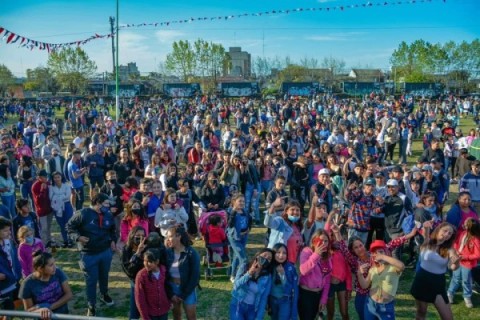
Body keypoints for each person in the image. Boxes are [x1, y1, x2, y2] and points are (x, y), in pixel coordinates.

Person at [66, 193, 117, 316]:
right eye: (106, 203)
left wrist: (113, 240)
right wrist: (78, 237)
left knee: (104, 276)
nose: (108, 206)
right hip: (88, 255)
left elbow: (112, 230)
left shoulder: (108, 214)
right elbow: (69, 227)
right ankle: (91, 305)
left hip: (105, 252)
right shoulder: (83, 214)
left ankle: (104, 295)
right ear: (98, 203)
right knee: (91, 280)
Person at [410, 222, 460, 320]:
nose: (446, 234)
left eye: (450, 234)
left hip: (438, 283)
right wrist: (426, 225)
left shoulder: (450, 249)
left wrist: (456, 262)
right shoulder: (428, 241)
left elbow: (453, 267)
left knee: (448, 318)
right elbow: (426, 231)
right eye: (445, 231)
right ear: (438, 230)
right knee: (421, 313)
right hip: (422, 280)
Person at [356, 239, 405, 320]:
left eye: (381, 251)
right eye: (375, 253)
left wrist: (383, 257)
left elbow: (402, 266)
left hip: (386, 307)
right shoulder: (372, 269)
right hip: (370, 304)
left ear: (386, 252)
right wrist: (359, 274)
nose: (378, 255)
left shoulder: (393, 267)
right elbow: (364, 285)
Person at [18, 251, 72, 319]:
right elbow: (28, 310)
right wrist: (40, 310)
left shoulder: (58, 272)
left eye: (54, 263)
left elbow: (69, 294)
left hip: (62, 315)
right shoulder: (27, 284)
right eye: (51, 265)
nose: (55, 267)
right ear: (40, 268)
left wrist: (49, 307)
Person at [165, 225, 200, 320]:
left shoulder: (192, 253)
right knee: (176, 317)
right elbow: (164, 275)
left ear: (178, 236)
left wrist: (183, 295)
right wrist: (171, 294)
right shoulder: (167, 253)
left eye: (170, 236)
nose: (168, 239)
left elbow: (195, 277)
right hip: (173, 289)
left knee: (191, 317)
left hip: (187, 289)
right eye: (167, 237)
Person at [229, 248, 274, 320]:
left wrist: (259, 317)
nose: (265, 259)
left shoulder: (267, 277)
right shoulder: (244, 266)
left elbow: (263, 298)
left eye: (269, 258)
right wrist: (249, 273)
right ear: (258, 255)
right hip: (238, 304)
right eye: (264, 255)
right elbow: (236, 286)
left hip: (252, 308)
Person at [298, 229, 332, 320]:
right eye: (320, 241)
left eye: (326, 241)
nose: (323, 243)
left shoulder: (327, 257)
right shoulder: (306, 251)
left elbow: (327, 280)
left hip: (319, 294)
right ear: (314, 241)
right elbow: (303, 270)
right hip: (306, 295)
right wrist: (316, 254)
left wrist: (323, 299)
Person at [447, 218, 480, 308]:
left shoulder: (475, 240)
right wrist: (455, 251)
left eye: (465, 225)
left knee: (466, 281)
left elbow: (477, 254)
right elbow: (457, 243)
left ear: (470, 228)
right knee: (455, 278)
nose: (463, 225)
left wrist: (465, 257)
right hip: (458, 260)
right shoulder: (463, 233)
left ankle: (467, 296)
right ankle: (450, 293)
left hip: (467, 264)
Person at [135, 248, 171, 320]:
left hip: (163, 311)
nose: (146, 264)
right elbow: (139, 298)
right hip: (150, 314)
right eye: (145, 261)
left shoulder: (164, 270)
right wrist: (145, 317)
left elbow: (168, 288)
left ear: (157, 261)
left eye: (149, 261)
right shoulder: (141, 276)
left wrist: (169, 302)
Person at [269, 243, 299, 320]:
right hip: (272, 300)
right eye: (278, 252)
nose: (281, 255)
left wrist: (282, 275)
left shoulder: (290, 268)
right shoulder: (270, 266)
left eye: (284, 253)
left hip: (285, 300)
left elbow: (292, 289)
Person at [227, 194, 252, 282]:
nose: (242, 203)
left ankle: (232, 275)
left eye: (243, 201)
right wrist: (233, 212)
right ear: (234, 202)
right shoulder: (230, 211)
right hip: (234, 238)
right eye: (240, 201)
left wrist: (249, 228)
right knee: (243, 259)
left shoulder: (245, 211)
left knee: (237, 257)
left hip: (243, 236)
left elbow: (249, 219)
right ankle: (239, 277)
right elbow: (229, 224)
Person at [0, 217, 22, 312]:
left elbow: (14, 258)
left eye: (9, 230)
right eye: (5, 231)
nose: (9, 233)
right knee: (7, 309)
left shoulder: (8, 241)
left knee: (18, 301)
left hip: (13, 279)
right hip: (3, 285)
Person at [49, 171, 74, 248]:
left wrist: (57, 197)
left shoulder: (66, 185)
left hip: (66, 206)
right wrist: (60, 196)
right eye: (55, 177)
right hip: (57, 207)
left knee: (68, 223)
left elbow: (67, 196)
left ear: (61, 177)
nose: (57, 179)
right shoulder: (51, 187)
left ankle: (70, 240)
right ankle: (65, 240)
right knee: (62, 224)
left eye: (58, 177)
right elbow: (50, 197)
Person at [32, 169, 53, 248]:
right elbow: (38, 200)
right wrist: (42, 190)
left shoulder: (48, 183)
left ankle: (49, 241)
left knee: (49, 227)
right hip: (41, 211)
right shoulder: (35, 186)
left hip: (49, 209)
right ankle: (43, 244)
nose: (46, 178)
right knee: (43, 228)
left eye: (46, 176)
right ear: (39, 177)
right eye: (44, 176)